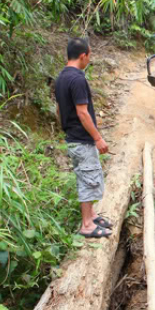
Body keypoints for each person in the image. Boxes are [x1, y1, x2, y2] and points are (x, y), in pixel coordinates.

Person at [55, 38, 113, 238]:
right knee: (89, 179)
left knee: (85, 176)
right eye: (89, 55)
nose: (89, 59)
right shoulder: (77, 79)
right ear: (83, 55)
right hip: (81, 138)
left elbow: (58, 109)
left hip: (72, 137)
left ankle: (92, 214)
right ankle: (87, 224)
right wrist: (97, 138)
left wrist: (66, 128)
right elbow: (83, 112)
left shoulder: (61, 77)